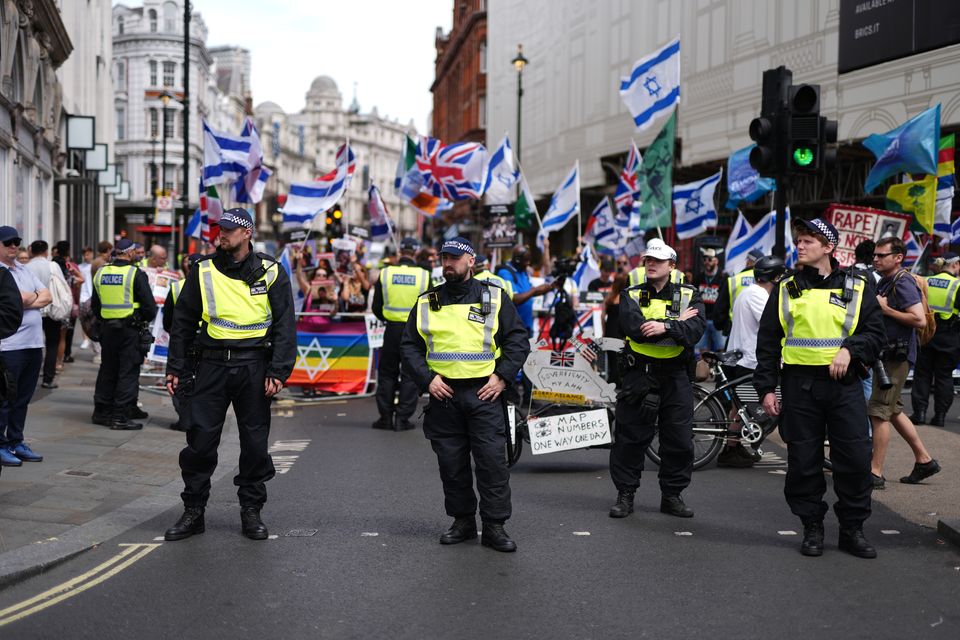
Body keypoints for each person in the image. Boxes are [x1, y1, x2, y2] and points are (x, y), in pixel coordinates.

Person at [754, 218, 885, 559]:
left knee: (855, 459)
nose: (800, 244)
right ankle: (811, 526)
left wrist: (850, 350)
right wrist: (767, 388)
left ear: (828, 247)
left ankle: (852, 529)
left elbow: (875, 334)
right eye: (799, 239)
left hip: (844, 386)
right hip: (799, 386)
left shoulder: (857, 285)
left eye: (809, 240)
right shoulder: (787, 287)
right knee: (803, 462)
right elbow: (768, 341)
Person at [163, 209, 296, 542]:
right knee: (200, 441)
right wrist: (176, 367)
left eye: (229, 230)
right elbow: (182, 323)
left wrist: (279, 370)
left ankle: (251, 511)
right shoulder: (203, 270)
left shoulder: (271, 271)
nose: (222, 234)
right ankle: (193, 511)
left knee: (254, 444)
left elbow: (285, 326)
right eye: (220, 229)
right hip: (210, 365)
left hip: (254, 367)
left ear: (247, 233)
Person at [401, 237, 530, 552]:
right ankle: (463, 521)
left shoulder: (495, 297)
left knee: (491, 463)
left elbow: (517, 339)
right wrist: (427, 380)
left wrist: (501, 377)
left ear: (471, 262)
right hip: (444, 395)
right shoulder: (427, 300)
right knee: (452, 464)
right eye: (445, 257)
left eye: (455, 258)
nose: (448, 263)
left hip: (483, 392)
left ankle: (495, 526)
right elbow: (409, 346)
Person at [608, 240, 706, 520]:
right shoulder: (631, 293)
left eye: (658, 261)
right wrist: (677, 325)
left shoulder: (690, 295)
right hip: (640, 373)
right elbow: (634, 329)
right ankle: (625, 494)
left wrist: (664, 326)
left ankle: (672, 496)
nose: (651, 264)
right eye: (648, 259)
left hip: (676, 375)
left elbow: (695, 331)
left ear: (672, 266)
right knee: (630, 438)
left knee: (679, 440)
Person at [868, 237, 941, 489]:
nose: (876, 258)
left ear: (898, 257)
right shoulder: (888, 281)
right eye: (875, 255)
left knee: (878, 411)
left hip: (896, 357)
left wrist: (886, 310)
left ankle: (874, 473)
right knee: (894, 410)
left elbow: (918, 320)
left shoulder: (903, 282)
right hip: (887, 355)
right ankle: (924, 460)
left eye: (881, 255)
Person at [717, 255, 787, 468]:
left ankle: (732, 448)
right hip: (750, 360)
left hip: (743, 357)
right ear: (775, 278)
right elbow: (773, 326)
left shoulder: (748, 292)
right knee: (770, 404)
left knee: (739, 409)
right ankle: (742, 444)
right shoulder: (759, 296)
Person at [90, 239, 157, 430]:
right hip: (129, 331)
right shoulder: (135, 273)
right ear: (129, 253)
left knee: (108, 371)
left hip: (108, 330)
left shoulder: (101, 272)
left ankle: (101, 412)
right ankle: (120, 416)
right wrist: (139, 319)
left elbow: (95, 305)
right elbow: (150, 308)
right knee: (127, 372)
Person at [0, 226, 51, 467]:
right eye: (8, 242)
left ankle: (15, 440)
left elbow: (46, 296)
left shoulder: (24, 269)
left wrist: (25, 300)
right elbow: (18, 299)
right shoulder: (0, 272)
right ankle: (0, 443)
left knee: (23, 398)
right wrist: (27, 299)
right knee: (5, 399)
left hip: (33, 344)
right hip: (9, 346)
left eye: (17, 242)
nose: (13, 246)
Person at [371, 237, 430, 431]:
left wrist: (388, 318)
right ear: (415, 252)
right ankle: (402, 418)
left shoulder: (386, 273)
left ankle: (385, 417)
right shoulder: (424, 275)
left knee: (387, 373)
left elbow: (376, 306)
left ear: (400, 252)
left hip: (392, 329)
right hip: (414, 331)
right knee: (409, 374)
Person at [910, 252, 960, 427]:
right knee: (944, 376)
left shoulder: (927, 281)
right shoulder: (957, 284)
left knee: (922, 374)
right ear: (954, 265)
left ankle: (919, 414)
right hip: (949, 336)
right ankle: (940, 417)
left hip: (926, 333)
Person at [162, 253, 203, 432]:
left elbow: (167, 319)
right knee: (203, 380)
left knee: (181, 378)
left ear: (187, 267)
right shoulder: (214, 287)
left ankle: (185, 419)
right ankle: (200, 419)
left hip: (185, 340)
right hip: (206, 340)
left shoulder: (177, 287)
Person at [27, 240, 68, 390]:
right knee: (52, 344)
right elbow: (62, 285)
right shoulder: (53, 266)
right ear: (46, 251)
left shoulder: (26, 267)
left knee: (33, 344)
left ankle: (30, 375)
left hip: (33, 310)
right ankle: (48, 378)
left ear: (31, 251)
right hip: (51, 310)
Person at [496, 244, 557, 337]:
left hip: (527, 325)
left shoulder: (523, 271)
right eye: (526, 261)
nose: (528, 264)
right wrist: (535, 290)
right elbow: (515, 298)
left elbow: (528, 292)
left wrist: (550, 287)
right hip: (513, 328)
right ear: (517, 260)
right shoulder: (505, 273)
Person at [691, 247, 727, 352]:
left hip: (718, 321)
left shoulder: (724, 278)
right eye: (705, 259)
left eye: (710, 259)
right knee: (702, 351)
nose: (707, 262)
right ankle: (705, 369)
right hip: (702, 320)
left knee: (721, 350)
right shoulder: (698, 278)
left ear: (716, 261)